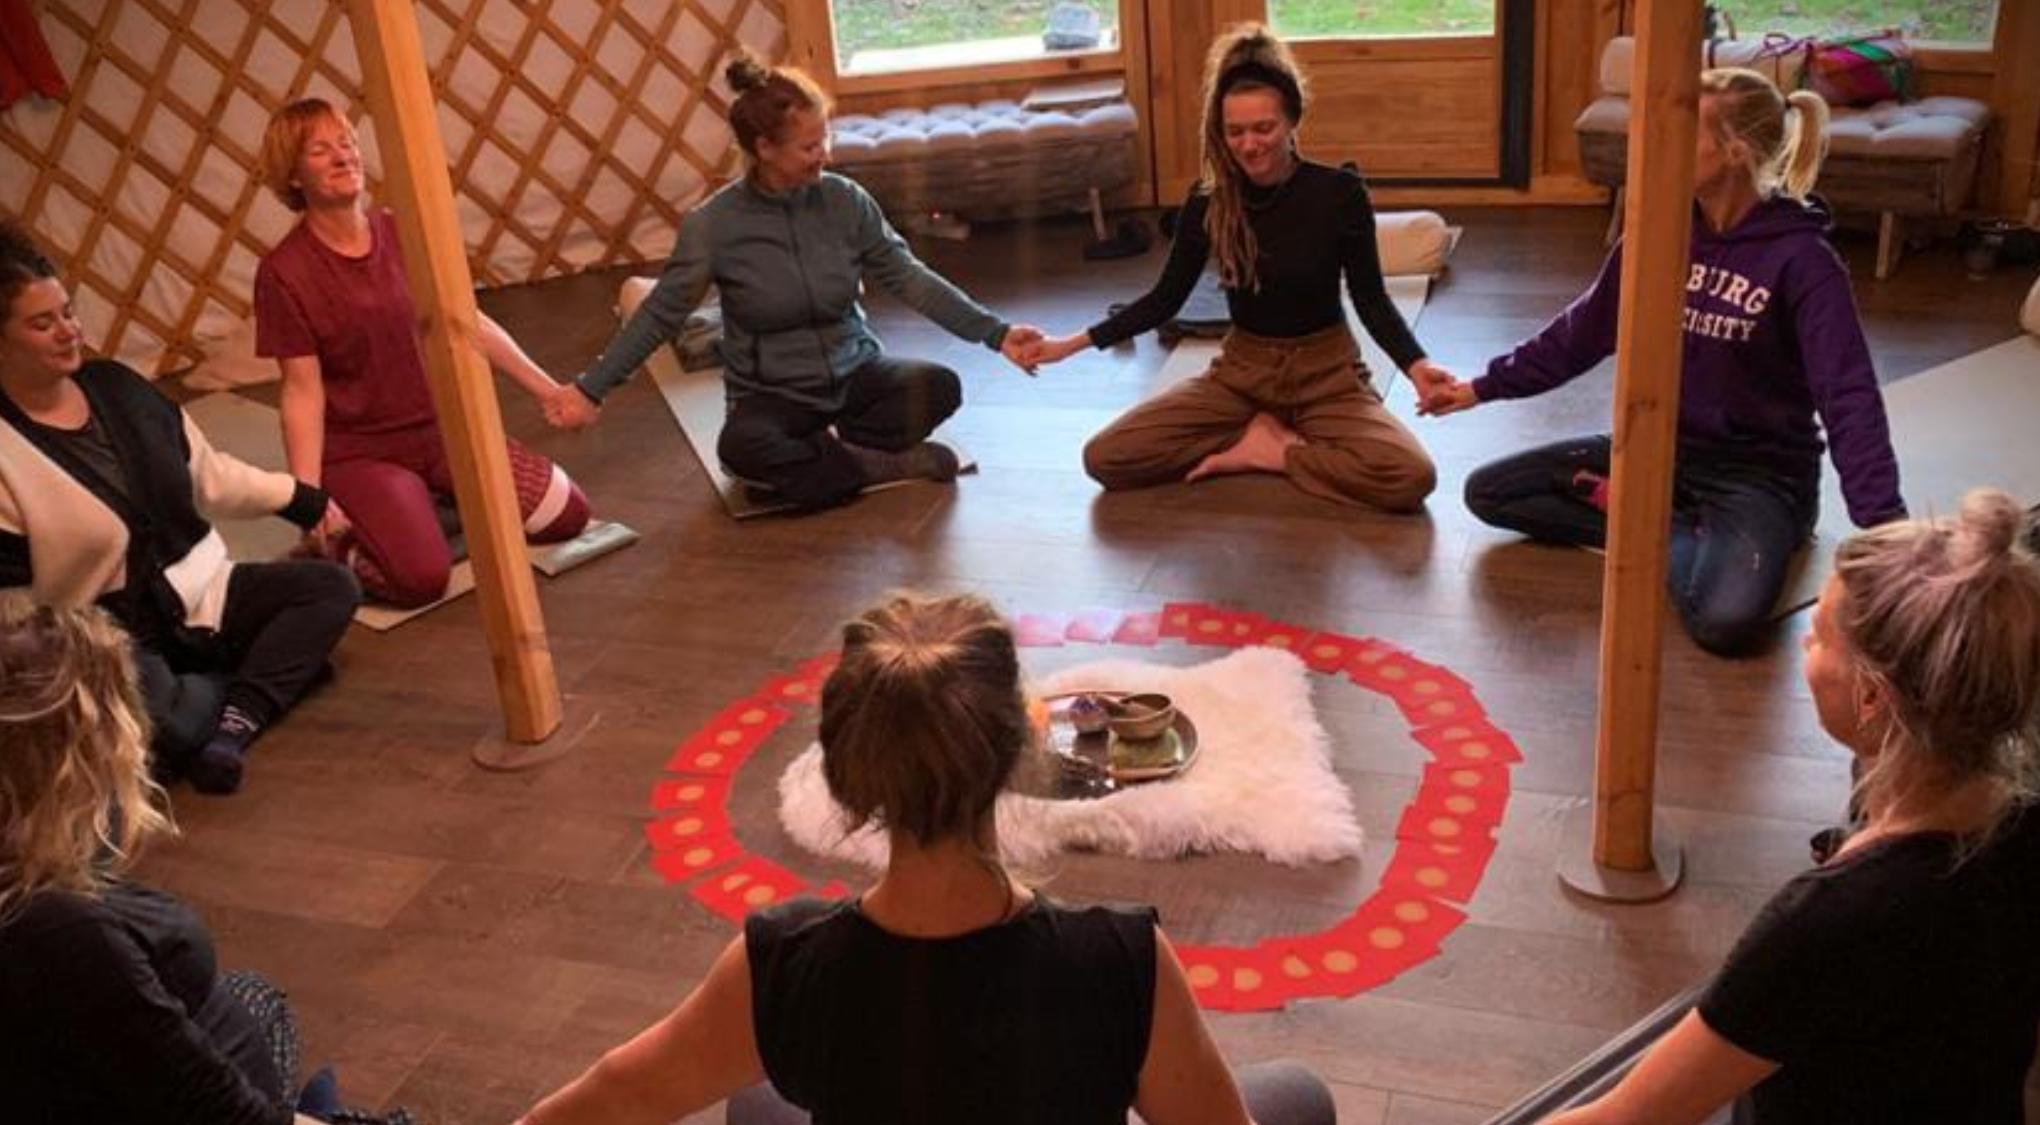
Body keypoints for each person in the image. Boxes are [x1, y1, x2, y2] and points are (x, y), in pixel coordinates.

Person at [471, 593, 1337, 1125]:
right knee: (1298, 1100)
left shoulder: (785, 966)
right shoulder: (1119, 960)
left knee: (757, 1103)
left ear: (849, 779)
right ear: (1019, 753)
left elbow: (623, 1090)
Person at [1510, 488, 2040, 1125]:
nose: (1805, 645)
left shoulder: (1833, 918)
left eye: (1819, 638)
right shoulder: (2021, 825)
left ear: (1871, 698)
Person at [1424, 67, 1905, 657]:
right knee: (1493, 493)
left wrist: (1886, 529)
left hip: (1757, 478)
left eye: (1681, 133)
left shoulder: (1805, 262)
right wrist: (1479, 388)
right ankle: (1664, 523)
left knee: (1724, 621)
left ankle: (1646, 523)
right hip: (1654, 452)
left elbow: (1848, 395)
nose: (1656, 148)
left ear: (1735, 151)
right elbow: (1580, 334)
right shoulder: (1655, 237)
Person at [545, 50, 1045, 511]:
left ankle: (829, 465)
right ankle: (869, 463)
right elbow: (659, 314)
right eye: (810, 146)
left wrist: (996, 334)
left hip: (854, 377)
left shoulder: (845, 201)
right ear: (764, 147)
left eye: (826, 138)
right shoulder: (715, 225)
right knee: (743, 449)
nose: (825, 153)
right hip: (773, 396)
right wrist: (591, 390)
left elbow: (911, 278)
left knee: (938, 386)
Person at [0, 593, 401, 1125]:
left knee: (257, 994)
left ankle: (315, 1109)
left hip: (129, 1067)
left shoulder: (36, 886)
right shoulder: (59, 932)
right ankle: (320, 1114)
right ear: (73, 758)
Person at [0, 219, 358, 794]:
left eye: (68, 312)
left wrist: (302, 500)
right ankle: (254, 685)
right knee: (175, 729)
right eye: (43, 324)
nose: (69, 331)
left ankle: (233, 722)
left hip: (202, 594)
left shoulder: (118, 388)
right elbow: (16, 609)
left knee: (330, 589)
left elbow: (210, 478)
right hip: (106, 637)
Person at [1029, 24, 1448, 512]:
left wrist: (1417, 366)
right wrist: (1067, 345)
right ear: (1220, 132)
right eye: (1235, 132)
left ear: (1292, 120)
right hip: (1242, 374)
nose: (1249, 145)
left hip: (1328, 375)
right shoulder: (1208, 201)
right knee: (1107, 458)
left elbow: (1371, 299)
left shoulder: (1338, 193)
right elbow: (1165, 299)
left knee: (1409, 476)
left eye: (1263, 128)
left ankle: (1274, 451)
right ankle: (1259, 433)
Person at [254, 98, 593, 608]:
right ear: (293, 175)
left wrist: (549, 390)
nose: (343, 157)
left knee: (566, 515)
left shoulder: (402, 233)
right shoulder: (285, 272)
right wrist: (308, 499)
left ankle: (416, 507)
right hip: (361, 451)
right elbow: (302, 390)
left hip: (441, 430)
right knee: (421, 579)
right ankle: (342, 544)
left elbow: (466, 321)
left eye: (347, 143)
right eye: (320, 151)